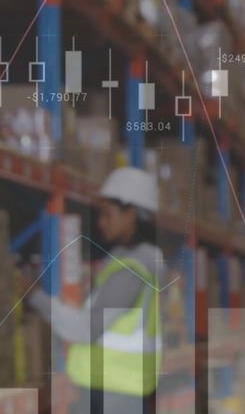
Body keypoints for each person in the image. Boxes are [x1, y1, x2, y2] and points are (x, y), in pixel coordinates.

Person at [29, 167, 165, 414]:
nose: (101, 222)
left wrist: (34, 296)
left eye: (107, 214)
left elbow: (86, 329)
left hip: (113, 395)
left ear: (131, 214)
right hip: (121, 390)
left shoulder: (131, 270)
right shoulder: (142, 261)